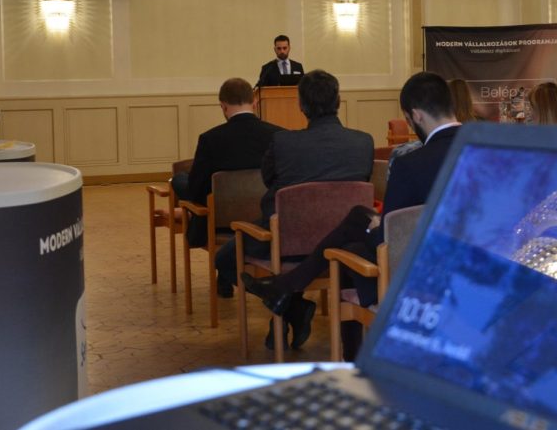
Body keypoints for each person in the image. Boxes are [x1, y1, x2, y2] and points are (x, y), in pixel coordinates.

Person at [240, 72, 461, 355]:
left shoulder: (411, 165)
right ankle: (286, 289)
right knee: (357, 222)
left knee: (348, 249)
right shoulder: (492, 153)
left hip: (415, 275)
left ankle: (299, 300)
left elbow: (386, 242)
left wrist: (377, 226)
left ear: (416, 115)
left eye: (407, 119)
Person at [215, 69, 373, 347]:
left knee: (225, 259)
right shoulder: (363, 142)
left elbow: (269, 180)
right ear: (338, 101)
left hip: (285, 240)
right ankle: (294, 307)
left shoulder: (284, 142)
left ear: (301, 104)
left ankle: (293, 307)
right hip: (344, 245)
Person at [173, 78, 283, 248]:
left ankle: (186, 212)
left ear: (223, 106)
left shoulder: (210, 139)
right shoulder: (278, 135)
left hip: (219, 220)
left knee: (179, 180)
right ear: (255, 102)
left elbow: (196, 191)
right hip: (266, 215)